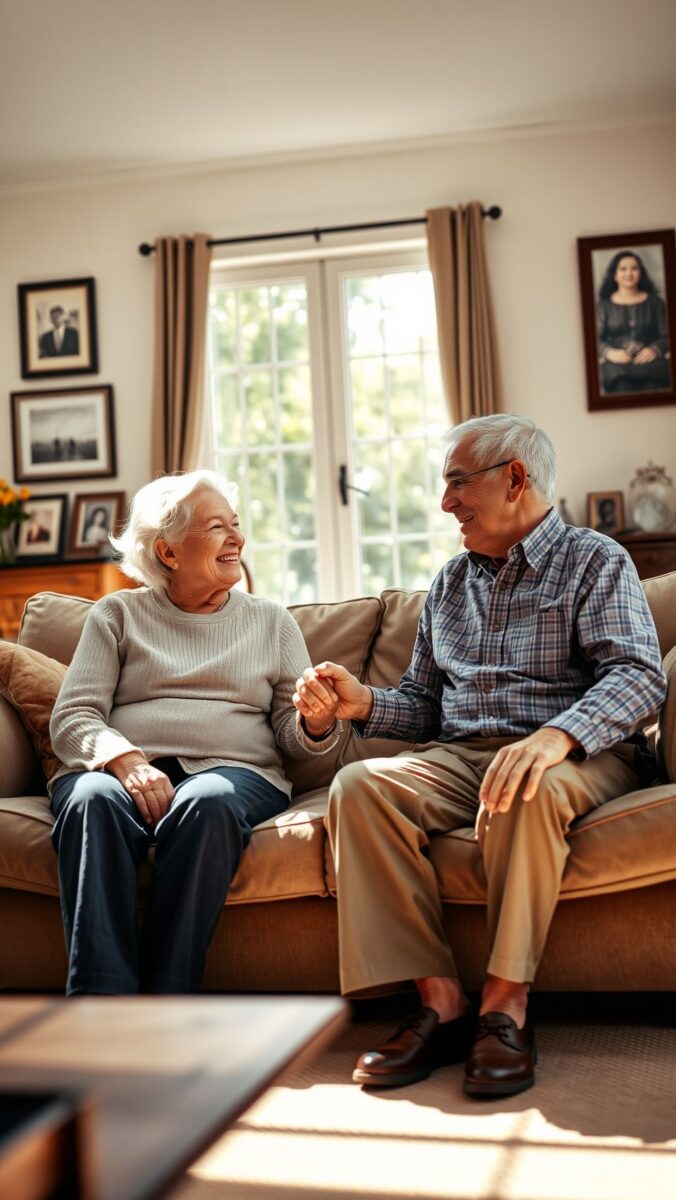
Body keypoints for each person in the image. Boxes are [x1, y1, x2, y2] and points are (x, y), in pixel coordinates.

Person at [293, 415, 666, 1097]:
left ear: (515, 478)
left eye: (458, 483)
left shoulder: (595, 559)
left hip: (578, 751)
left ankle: (505, 1006)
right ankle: (440, 1003)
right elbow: (422, 703)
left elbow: (639, 677)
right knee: (360, 787)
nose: (446, 503)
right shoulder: (450, 584)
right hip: (460, 755)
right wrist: (362, 705)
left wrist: (557, 737)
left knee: (524, 783)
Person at [49, 469, 340, 995]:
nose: (237, 538)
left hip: (236, 772)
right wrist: (126, 761)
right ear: (168, 552)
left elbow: (290, 736)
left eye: (235, 524)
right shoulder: (116, 615)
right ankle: (99, 1008)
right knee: (90, 797)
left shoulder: (271, 623)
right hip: (121, 770)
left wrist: (314, 723)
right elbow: (73, 718)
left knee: (209, 800)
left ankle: (168, 1001)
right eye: (216, 527)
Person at [596, 251, 671, 394]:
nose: (629, 273)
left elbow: (668, 336)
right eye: (623, 269)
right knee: (621, 385)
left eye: (634, 268)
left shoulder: (656, 303)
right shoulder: (603, 305)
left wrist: (654, 349)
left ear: (641, 273)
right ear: (615, 275)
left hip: (652, 365)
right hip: (618, 368)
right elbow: (593, 340)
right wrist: (609, 352)